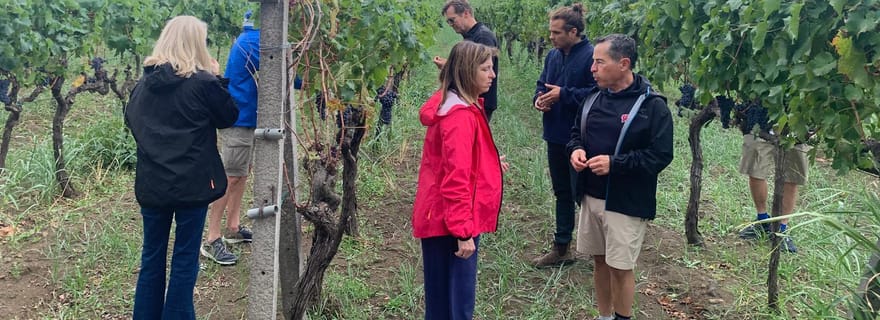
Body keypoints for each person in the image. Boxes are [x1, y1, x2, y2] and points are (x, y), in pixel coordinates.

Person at [125, 16, 239, 319]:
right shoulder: (203, 83)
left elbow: (132, 123)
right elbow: (228, 117)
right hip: (191, 185)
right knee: (185, 258)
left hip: (152, 185)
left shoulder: (142, 85)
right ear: (195, 44)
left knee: (152, 257)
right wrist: (217, 79)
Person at [567, 34, 673, 320]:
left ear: (623, 64)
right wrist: (576, 150)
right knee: (600, 262)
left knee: (621, 266)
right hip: (591, 196)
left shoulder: (653, 107)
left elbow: (660, 155)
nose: (592, 68)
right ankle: (604, 316)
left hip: (625, 203)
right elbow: (576, 133)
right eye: (593, 62)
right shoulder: (591, 99)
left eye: (599, 62)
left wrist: (617, 164)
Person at [412, 40, 507, 320]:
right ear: (467, 72)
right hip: (450, 222)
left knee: (442, 298)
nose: (492, 75)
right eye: (486, 69)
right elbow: (456, 179)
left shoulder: (453, 105)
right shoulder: (460, 118)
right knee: (456, 305)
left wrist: (489, 164)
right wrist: (462, 232)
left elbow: (457, 161)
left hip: (441, 217)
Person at [530, 3, 597, 268]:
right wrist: (539, 100)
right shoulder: (553, 56)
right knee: (562, 192)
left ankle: (597, 251)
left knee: (585, 193)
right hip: (555, 133)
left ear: (573, 31)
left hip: (582, 138)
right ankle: (562, 248)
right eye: (550, 32)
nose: (551, 37)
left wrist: (563, 94)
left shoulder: (592, 57)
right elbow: (541, 84)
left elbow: (597, 95)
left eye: (556, 33)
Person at [201, 10, 259, 266]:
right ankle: (212, 238)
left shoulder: (249, 38)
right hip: (239, 118)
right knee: (231, 175)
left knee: (242, 172)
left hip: (247, 117)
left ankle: (233, 227)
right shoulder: (254, 41)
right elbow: (289, 74)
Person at [736, 108, 806, 253]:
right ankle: (763, 221)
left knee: (792, 177)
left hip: (798, 123)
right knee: (755, 170)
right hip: (762, 119)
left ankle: (781, 229)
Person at [433, 0, 499, 121]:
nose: (451, 24)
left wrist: (448, 66)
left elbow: (478, 71)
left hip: (479, 102)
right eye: (448, 22)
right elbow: (470, 65)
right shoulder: (471, 36)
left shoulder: (483, 37)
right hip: (471, 100)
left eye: (452, 20)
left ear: (466, 13)